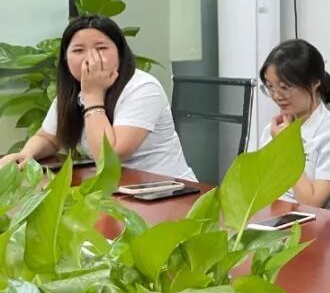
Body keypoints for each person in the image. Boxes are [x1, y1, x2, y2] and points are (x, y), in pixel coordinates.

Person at [0, 15, 195, 180]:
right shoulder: (73, 92)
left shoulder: (142, 88)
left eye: (101, 48)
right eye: (78, 50)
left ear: (120, 53)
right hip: (114, 191)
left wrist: (93, 95)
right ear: (66, 59)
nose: (90, 58)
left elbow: (110, 156)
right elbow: (48, 138)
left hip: (167, 192)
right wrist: (26, 154)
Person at [259, 39, 330, 208]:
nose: (276, 96)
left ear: (314, 83)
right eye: (270, 87)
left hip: (307, 221)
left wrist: (286, 146)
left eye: (284, 87)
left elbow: (312, 203)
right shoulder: (273, 129)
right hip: (265, 215)